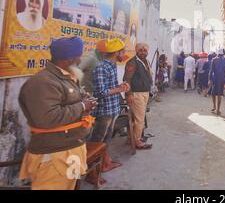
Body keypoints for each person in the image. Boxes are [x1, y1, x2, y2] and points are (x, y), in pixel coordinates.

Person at [18, 37, 98, 190]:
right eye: (79, 56)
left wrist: (84, 102)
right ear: (69, 58)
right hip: (54, 155)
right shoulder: (43, 82)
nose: (81, 60)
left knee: (69, 185)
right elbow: (47, 118)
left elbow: (66, 102)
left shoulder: (65, 77)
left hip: (70, 149)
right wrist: (82, 105)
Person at [91, 38, 130, 173]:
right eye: (122, 51)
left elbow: (110, 88)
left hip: (113, 108)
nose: (124, 53)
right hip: (104, 111)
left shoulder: (112, 66)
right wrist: (119, 89)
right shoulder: (101, 68)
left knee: (106, 140)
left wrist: (120, 86)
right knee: (97, 141)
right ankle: (92, 172)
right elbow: (101, 92)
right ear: (116, 53)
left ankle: (104, 163)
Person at [123, 43, 153, 150]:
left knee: (139, 117)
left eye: (145, 50)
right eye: (140, 50)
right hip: (136, 94)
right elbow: (127, 80)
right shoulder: (132, 62)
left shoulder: (146, 62)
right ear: (136, 50)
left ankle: (132, 138)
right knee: (139, 119)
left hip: (144, 93)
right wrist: (128, 94)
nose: (143, 52)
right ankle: (137, 141)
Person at [209, 49, 225, 115]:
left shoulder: (214, 59)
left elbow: (211, 71)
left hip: (215, 78)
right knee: (219, 95)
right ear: (223, 54)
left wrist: (210, 80)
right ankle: (218, 110)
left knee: (213, 94)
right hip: (222, 79)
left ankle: (214, 106)